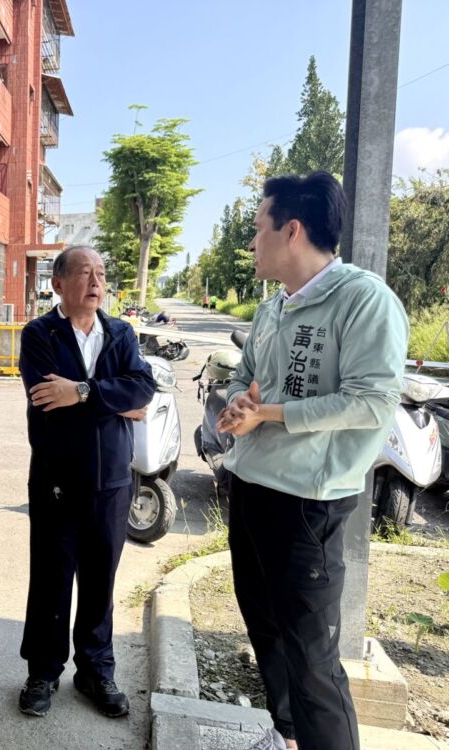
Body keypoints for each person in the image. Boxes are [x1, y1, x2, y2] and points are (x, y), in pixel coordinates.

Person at [217, 172, 408, 750]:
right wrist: (241, 401)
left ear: (291, 230)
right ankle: (286, 735)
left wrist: (269, 414)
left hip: (308, 503)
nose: (250, 242)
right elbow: (249, 375)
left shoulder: (363, 299)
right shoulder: (274, 308)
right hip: (252, 487)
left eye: (257, 229)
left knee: (313, 659)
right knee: (266, 631)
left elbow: (373, 400)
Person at [17, 246, 156, 719]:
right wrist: (113, 401)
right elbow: (43, 398)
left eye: (101, 272)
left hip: (112, 481)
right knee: (52, 579)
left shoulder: (121, 332)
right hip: (57, 481)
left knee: (100, 580)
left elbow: (141, 389)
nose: (95, 281)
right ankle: (43, 671)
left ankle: (96, 669)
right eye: (84, 273)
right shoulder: (39, 334)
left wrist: (79, 391)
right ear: (57, 283)